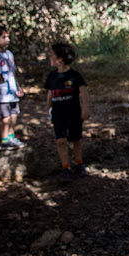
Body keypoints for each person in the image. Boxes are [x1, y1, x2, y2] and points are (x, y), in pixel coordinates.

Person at [45, 43, 90, 179]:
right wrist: (48, 109)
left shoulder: (75, 76)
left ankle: (78, 163)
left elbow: (83, 92)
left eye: (52, 55)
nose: (50, 57)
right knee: (61, 141)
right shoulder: (52, 76)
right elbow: (50, 94)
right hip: (58, 114)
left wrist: (86, 108)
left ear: (60, 59)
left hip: (74, 112)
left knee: (76, 139)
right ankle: (66, 167)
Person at [0, 24, 26, 150]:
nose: (7, 40)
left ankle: (11, 137)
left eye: (8, 37)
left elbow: (13, 72)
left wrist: (18, 87)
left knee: (14, 115)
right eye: (4, 37)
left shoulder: (9, 54)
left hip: (12, 92)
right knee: (5, 117)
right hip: (1, 93)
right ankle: (4, 140)